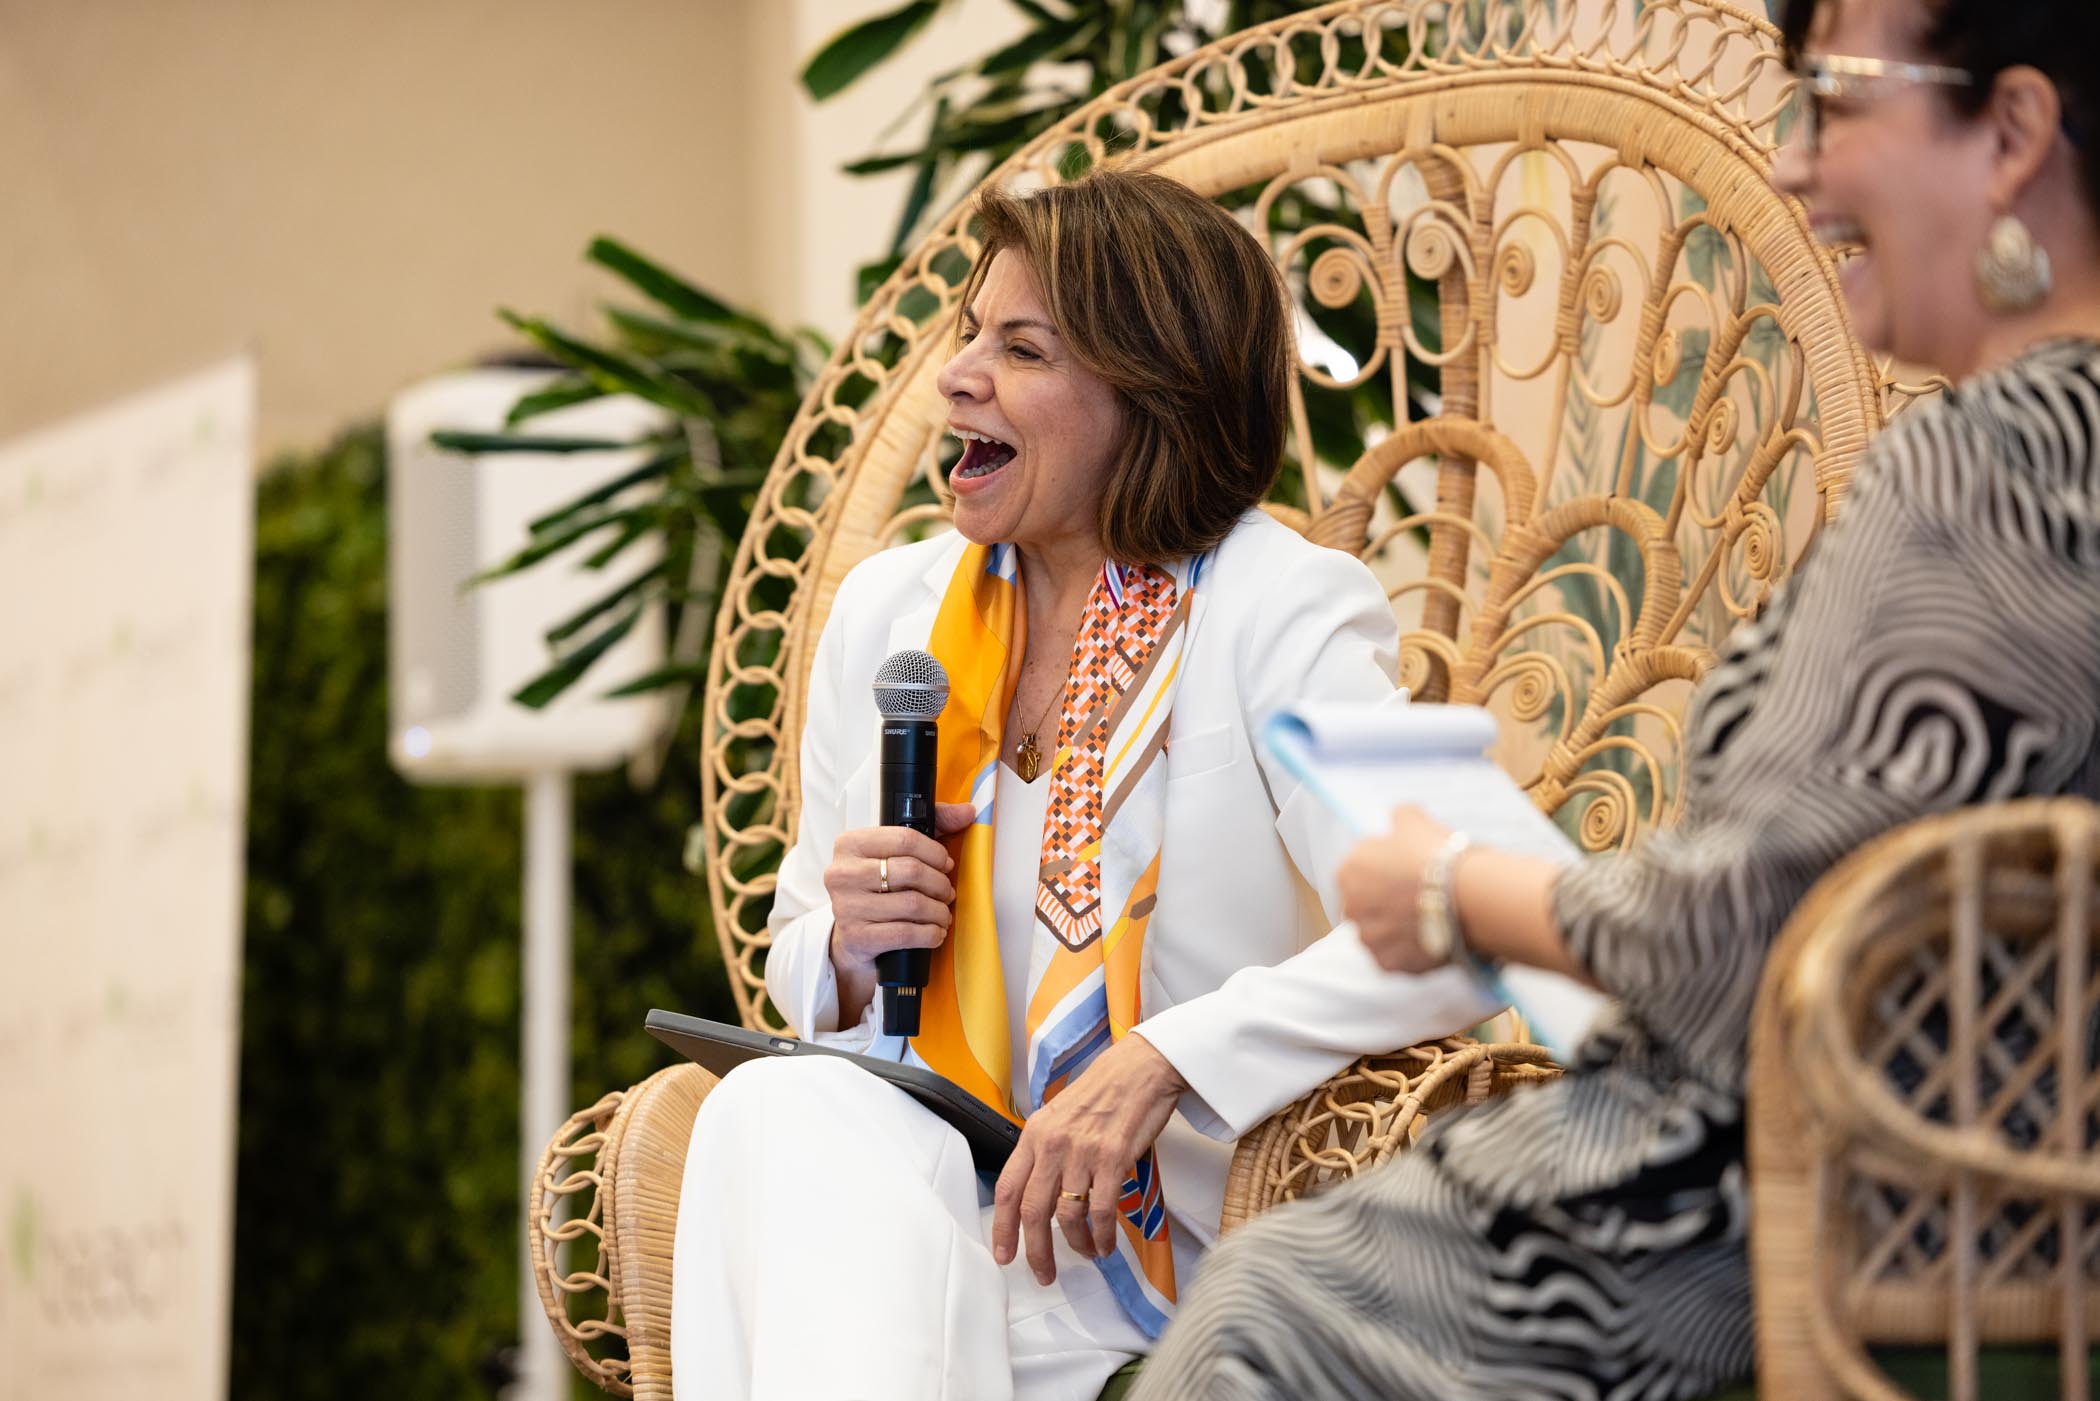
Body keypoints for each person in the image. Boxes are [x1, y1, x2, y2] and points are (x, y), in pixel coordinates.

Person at [1132, 0, 2100, 1396]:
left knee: (1269, 1311)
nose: (1794, 165)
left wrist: (1458, 891)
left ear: (2011, 132)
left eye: (1835, 103)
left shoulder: (1990, 464)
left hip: (1793, 1212)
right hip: (1990, 1178)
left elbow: (1759, 923)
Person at [668, 168, 1504, 1401]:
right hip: (929, 1204)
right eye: (969, 335)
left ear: (1153, 398)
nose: (958, 377)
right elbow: (803, 963)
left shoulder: (1279, 605)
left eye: (1021, 350)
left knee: (781, 1139)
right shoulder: (893, 615)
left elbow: (1453, 924)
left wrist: (1166, 1058)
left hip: (1173, 1229)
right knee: (770, 1115)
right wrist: (847, 946)